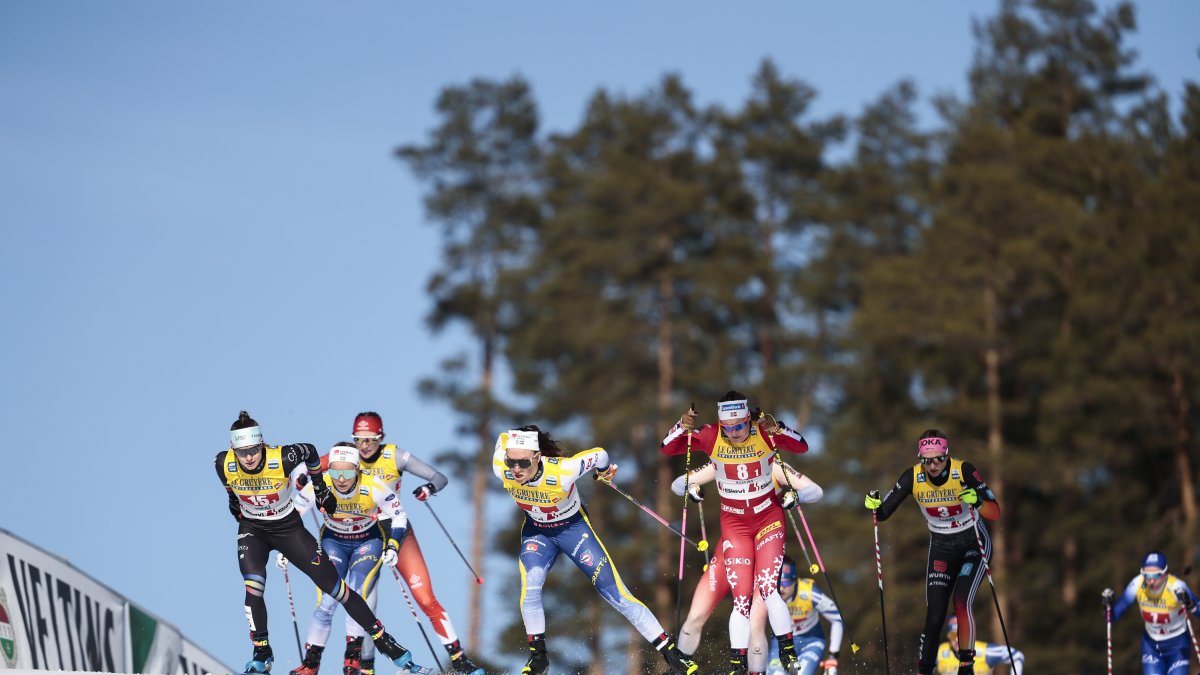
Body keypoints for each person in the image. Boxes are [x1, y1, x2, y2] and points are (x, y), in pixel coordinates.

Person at [214, 411, 428, 675]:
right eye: (242, 451)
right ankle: (261, 653)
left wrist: (321, 489)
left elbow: (312, 452)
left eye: (254, 450)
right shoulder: (224, 462)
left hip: (288, 529)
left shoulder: (283, 456)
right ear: (232, 449)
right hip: (253, 530)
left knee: (336, 590)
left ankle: (389, 645)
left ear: (262, 444)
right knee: (253, 587)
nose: (249, 457)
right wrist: (232, 500)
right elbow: (226, 482)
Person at [493, 425, 699, 675]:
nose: (516, 469)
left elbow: (600, 454)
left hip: (573, 530)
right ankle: (538, 658)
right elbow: (504, 438)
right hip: (538, 532)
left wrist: (604, 471)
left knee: (615, 592)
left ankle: (673, 656)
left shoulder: (564, 470)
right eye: (511, 461)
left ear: (537, 457)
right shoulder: (500, 466)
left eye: (523, 463)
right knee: (531, 586)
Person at [661, 391, 810, 674]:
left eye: (739, 426)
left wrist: (777, 427)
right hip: (736, 527)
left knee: (767, 589)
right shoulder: (711, 436)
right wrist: (681, 425)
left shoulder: (763, 433)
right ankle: (736, 664)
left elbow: (801, 446)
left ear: (747, 419)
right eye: (727, 427)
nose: (734, 433)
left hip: (768, 520)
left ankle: (787, 650)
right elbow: (668, 448)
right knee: (740, 600)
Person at [345, 412, 484, 675]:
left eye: (370, 441)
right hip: (364, 535)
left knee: (425, 597)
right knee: (363, 600)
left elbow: (439, 477)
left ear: (381, 438)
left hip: (397, 531)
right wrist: (304, 479)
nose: (364, 447)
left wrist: (428, 489)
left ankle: (459, 660)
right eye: (359, 441)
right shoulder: (345, 457)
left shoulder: (395, 456)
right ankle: (365, 668)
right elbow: (311, 467)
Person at [863, 429, 1000, 675]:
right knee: (935, 613)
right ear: (920, 459)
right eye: (927, 460)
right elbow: (883, 513)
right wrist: (874, 505)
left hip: (973, 542)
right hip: (941, 546)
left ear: (947, 455)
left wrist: (977, 501)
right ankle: (924, 670)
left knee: (961, 601)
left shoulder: (964, 471)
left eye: (939, 459)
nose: (933, 465)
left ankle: (966, 667)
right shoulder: (912, 477)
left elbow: (995, 512)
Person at [280, 443, 424, 675]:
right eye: (335, 472)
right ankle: (311, 663)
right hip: (333, 541)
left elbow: (399, 516)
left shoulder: (373, 485)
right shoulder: (321, 484)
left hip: (367, 542)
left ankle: (353, 657)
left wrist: (394, 545)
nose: (341, 479)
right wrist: (285, 548)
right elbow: (292, 516)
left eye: (347, 472)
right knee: (327, 602)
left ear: (358, 469)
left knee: (356, 595)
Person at [669, 461, 823, 675]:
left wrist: (799, 497)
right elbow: (678, 484)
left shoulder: (773, 464)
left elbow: (815, 490)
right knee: (695, 616)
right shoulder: (723, 458)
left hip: (763, 551)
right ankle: (678, 669)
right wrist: (691, 488)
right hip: (730, 552)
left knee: (755, 624)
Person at [1103, 550, 1200, 675]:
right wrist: (1108, 608)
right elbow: (1113, 615)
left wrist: (1191, 605)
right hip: (1151, 645)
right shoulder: (1137, 584)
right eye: (1147, 576)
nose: (1151, 581)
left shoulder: (1176, 587)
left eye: (1156, 576)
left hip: (1177, 645)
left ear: (1165, 574)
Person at [766, 556, 843, 675]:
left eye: (785, 583)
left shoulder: (809, 593)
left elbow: (837, 619)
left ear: (794, 580)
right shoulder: (767, 593)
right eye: (777, 583)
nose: (781, 588)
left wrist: (833, 655)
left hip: (811, 641)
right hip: (780, 643)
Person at [934, 615, 1023, 674]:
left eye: (962, 634)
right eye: (953, 635)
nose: (957, 639)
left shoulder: (984, 651)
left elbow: (1017, 656)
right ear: (948, 636)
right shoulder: (940, 653)